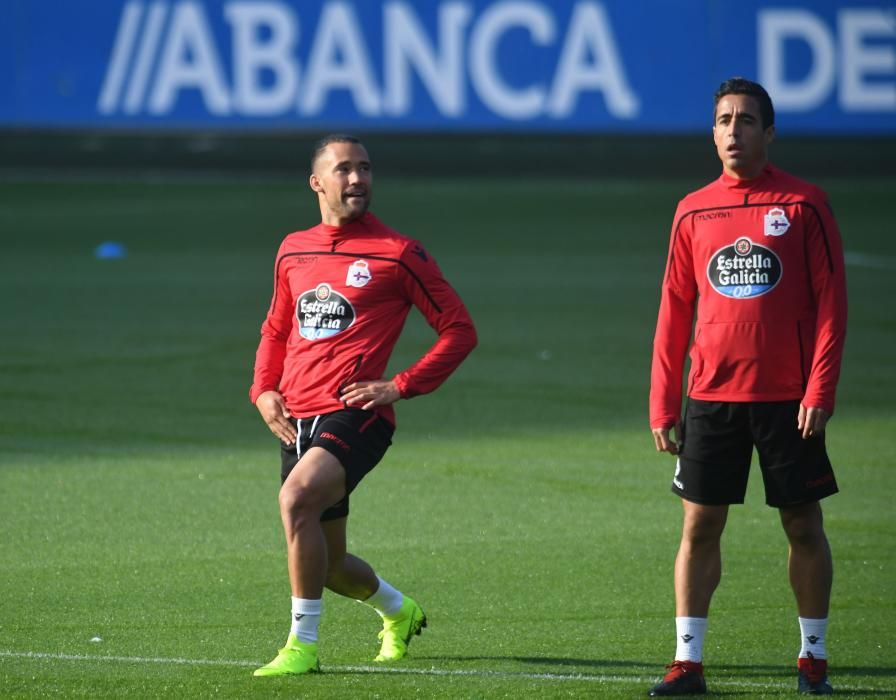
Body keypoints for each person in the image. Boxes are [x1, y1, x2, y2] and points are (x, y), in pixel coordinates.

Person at [249, 134, 477, 677]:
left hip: (358, 414)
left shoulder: (399, 252)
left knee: (296, 499)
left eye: (365, 169)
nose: (357, 180)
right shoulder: (293, 248)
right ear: (317, 182)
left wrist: (400, 385)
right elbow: (277, 327)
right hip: (295, 420)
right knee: (328, 567)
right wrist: (263, 389)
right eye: (344, 170)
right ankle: (399, 612)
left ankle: (301, 646)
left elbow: (459, 330)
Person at [648, 78, 847, 696]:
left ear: (768, 132)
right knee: (699, 527)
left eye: (746, 120)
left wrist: (819, 389)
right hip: (710, 397)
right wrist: (663, 399)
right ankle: (688, 662)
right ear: (712, 133)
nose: (734, 130)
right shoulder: (693, 209)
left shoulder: (804, 204)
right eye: (724, 120)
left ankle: (812, 657)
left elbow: (832, 305)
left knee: (803, 525)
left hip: (789, 401)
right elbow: (674, 309)